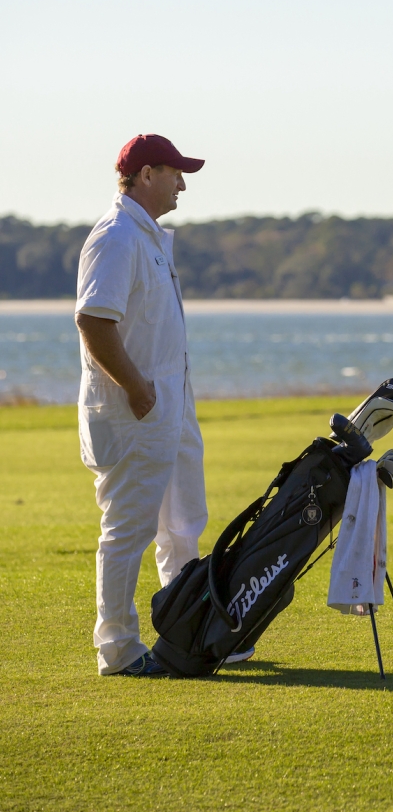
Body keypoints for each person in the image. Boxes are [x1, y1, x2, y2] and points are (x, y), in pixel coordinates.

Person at [75, 134, 252, 675]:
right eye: (176, 173)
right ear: (146, 174)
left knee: (181, 525)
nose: (182, 183)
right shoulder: (116, 236)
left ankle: (193, 629)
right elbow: (93, 320)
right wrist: (138, 388)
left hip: (168, 410)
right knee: (128, 528)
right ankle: (120, 651)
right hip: (134, 414)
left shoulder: (147, 237)